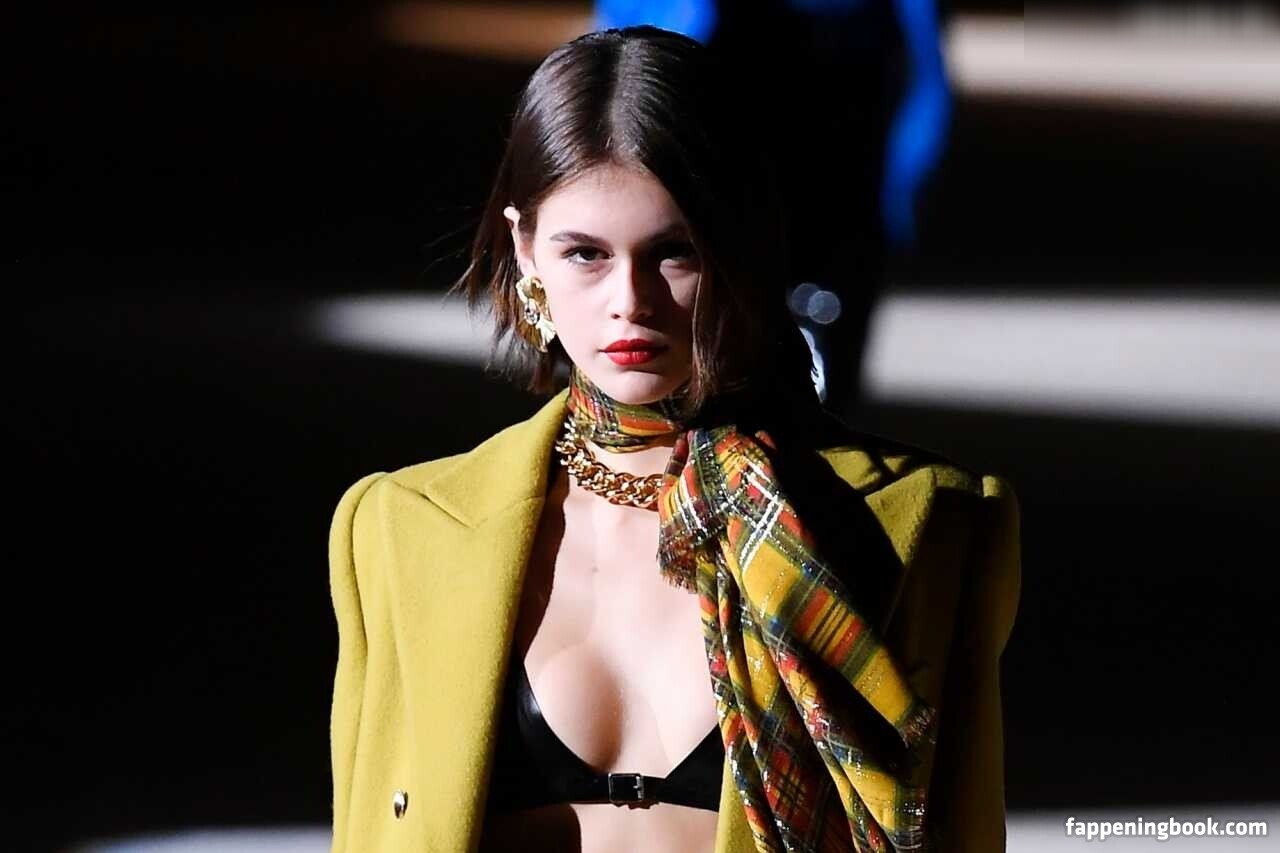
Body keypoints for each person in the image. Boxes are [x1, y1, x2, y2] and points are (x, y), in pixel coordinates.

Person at [328, 25, 1020, 853]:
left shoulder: (929, 522)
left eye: (673, 252)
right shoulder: (399, 530)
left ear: (740, 247)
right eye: (585, 253)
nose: (630, 299)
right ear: (525, 249)